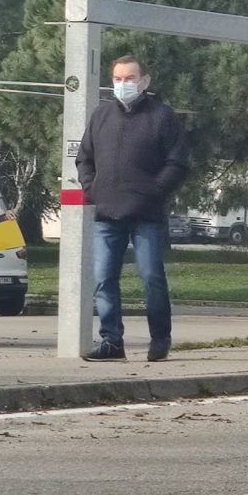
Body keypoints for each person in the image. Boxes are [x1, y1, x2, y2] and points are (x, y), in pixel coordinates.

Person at [76, 55, 189, 362]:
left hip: (146, 215)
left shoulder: (162, 117)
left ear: (144, 81)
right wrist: (91, 188)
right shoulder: (101, 115)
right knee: (103, 279)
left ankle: (160, 339)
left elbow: (178, 162)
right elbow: (84, 158)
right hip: (106, 214)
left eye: (130, 78)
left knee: (152, 277)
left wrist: (154, 191)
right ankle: (112, 342)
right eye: (118, 79)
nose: (123, 84)